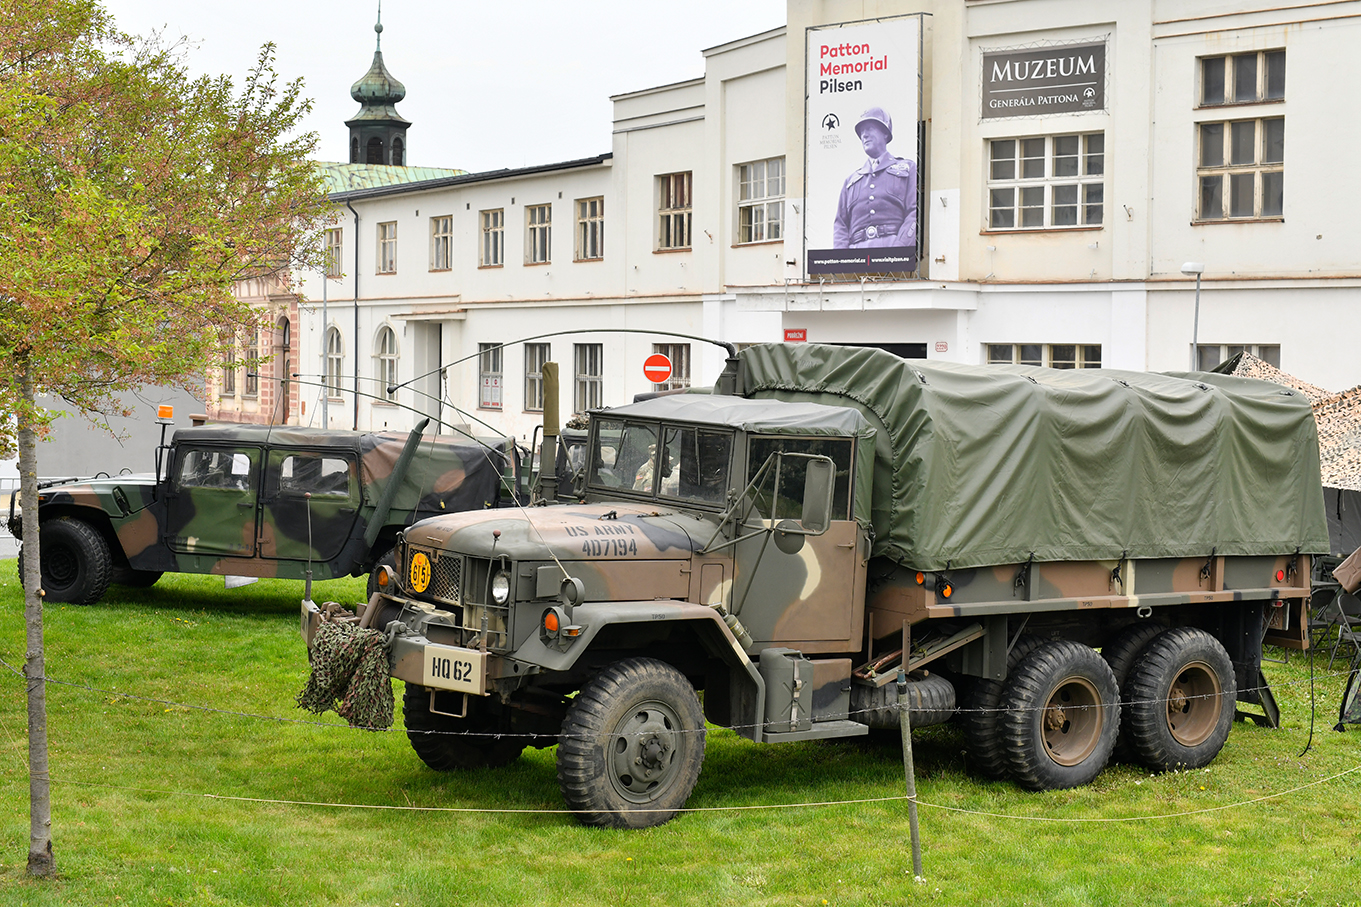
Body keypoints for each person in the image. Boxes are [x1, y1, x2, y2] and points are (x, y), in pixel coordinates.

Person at [832, 107, 917, 250]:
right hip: (856, 254)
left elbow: (914, 212)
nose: (864, 135)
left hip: (892, 247)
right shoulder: (851, 181)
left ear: (885, 133)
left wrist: (900, 248)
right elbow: (840, 225)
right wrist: (842, 258)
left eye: (869, 129)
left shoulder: (908, 168)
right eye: (862, 132)